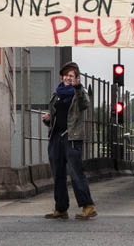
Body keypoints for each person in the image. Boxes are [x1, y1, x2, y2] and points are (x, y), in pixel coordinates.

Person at [41, 61, 96, 221]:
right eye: (66, 75)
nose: (68, 78)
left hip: (71, 137)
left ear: (77, 78)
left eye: (71, 76)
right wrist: (48, 119)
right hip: (56, 136)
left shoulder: (79, 93)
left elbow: (85, 104)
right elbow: (56, 114)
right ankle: (61, 207)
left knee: (75, 172)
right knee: (58, 173)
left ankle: (88, 205)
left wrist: (78, 88)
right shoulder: (57, 94)